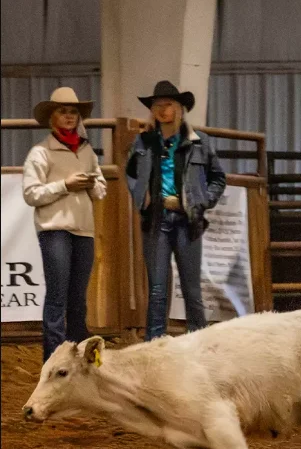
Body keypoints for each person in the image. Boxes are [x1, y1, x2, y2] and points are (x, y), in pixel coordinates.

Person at [126, 81, 227, 340]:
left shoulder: (200, 142)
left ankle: (201, 343)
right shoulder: (144, 141)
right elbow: (131, 174)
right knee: (158, 289)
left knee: (191, 289)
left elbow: (218, 177)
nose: (161, 109)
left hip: (187, 219)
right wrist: (144, 200)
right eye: (157, 105)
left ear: (180, 108)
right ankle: (155, 345)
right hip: (156, 218)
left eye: (167, 105)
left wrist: (201, 201)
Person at [22, 87, 106, 361]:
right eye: (63, 111)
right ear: (52, 117)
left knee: (78, 300)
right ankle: (54, 360)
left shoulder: (87, 151)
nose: (69, 116)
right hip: (54, 230)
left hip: (83, 230)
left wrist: (93, 185)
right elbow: (31, 194)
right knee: (58, 298)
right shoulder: (40, 153)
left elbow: (101, 188)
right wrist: (65, 185)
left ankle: (78, 362)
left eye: (73, 112)